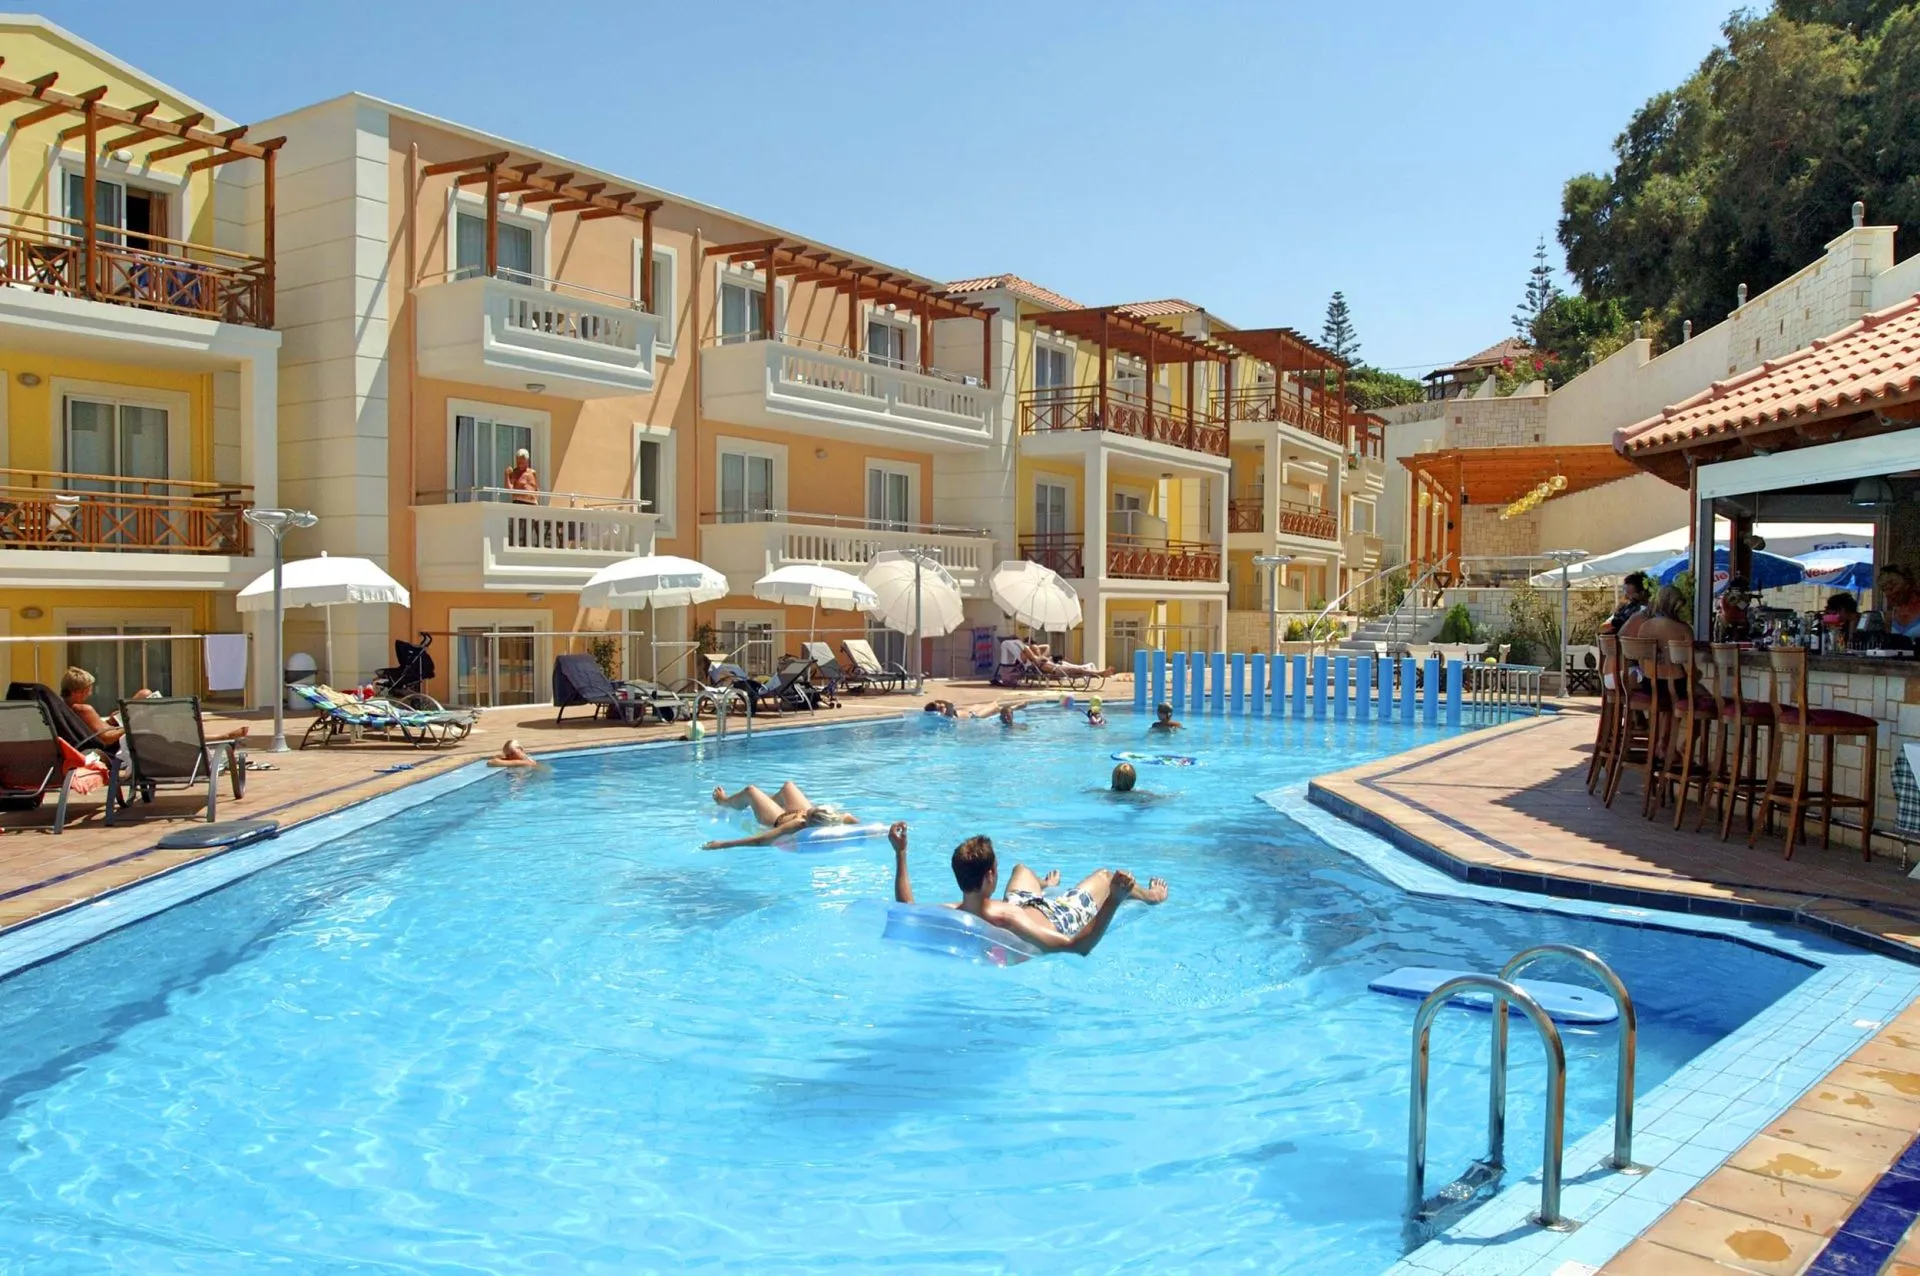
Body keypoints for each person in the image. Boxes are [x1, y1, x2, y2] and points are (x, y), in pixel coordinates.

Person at [889, 823, 1167, 956]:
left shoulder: (951, 912)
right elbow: (1078, 947)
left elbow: (905, 910)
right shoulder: (1009, 921)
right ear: (990, 876)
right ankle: (1152, 896)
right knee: (1105, 876)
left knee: (1021, 869)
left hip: (1021, 903)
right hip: (1057, 915)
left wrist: (901, 853)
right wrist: (1114, 900)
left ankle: (1045, 886)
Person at [60, 668, 248, 747]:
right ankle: (218, 738)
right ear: (78, 690)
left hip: (108, 731)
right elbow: (106, 739)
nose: (90, 692)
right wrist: (132, 723)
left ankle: (214, 738)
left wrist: (112, 720)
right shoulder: (84, 709)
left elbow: (99, 730)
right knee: (160, 722)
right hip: (116, 742)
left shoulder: (64, 706)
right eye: (88, 689)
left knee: (144, 694)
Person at [704, 781, 857, 848]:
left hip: (777, 819)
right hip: (797, 812)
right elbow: (861, 827)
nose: (804, 816)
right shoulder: (842, 819)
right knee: (788, 786)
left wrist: (722, 844)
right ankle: (765, 803)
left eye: (806, 817)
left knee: (750, 790)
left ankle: (724, 802)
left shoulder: (798, 825)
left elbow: (760, 840)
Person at [1881, 565, 1920, 639]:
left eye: (1891, 588)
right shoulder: (1891, 615)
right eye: (1884, 590)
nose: (1887, 594)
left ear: (1907, 585)